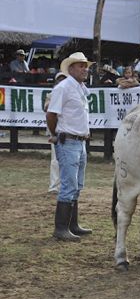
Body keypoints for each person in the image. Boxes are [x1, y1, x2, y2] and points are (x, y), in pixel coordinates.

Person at [46, 52, 93, 241]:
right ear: (71, 68)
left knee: (77, 184)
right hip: (69, 140)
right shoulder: (64, 88)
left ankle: (72, 225)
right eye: (81, 66)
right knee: (69, 184)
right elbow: (51, 114)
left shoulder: (79, 88)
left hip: (79, 141)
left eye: (85, 66)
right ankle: (61, 228)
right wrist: (55, 135)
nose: (85, 69)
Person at [44, 72, 68, 194]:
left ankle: (65, 186)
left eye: (63, 79)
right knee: (55, 159)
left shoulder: (70, 93)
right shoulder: (51, 94)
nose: (61, 81)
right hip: (56, 129)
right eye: (59, 80)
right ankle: (54, 186)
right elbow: (46, 107)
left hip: (67, 129)